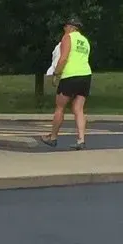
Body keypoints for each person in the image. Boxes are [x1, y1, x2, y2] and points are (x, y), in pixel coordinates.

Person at [42, 16, 92, 147]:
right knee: (79, 108)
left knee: (59, 107)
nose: (64, 29)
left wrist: (56, 74)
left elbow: (63, 58)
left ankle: (53, 137)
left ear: (71, 27)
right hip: (85, 75)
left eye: (65, 26)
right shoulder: (85, 41)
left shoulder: (67, 38)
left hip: (70, 75)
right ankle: (81, 139)